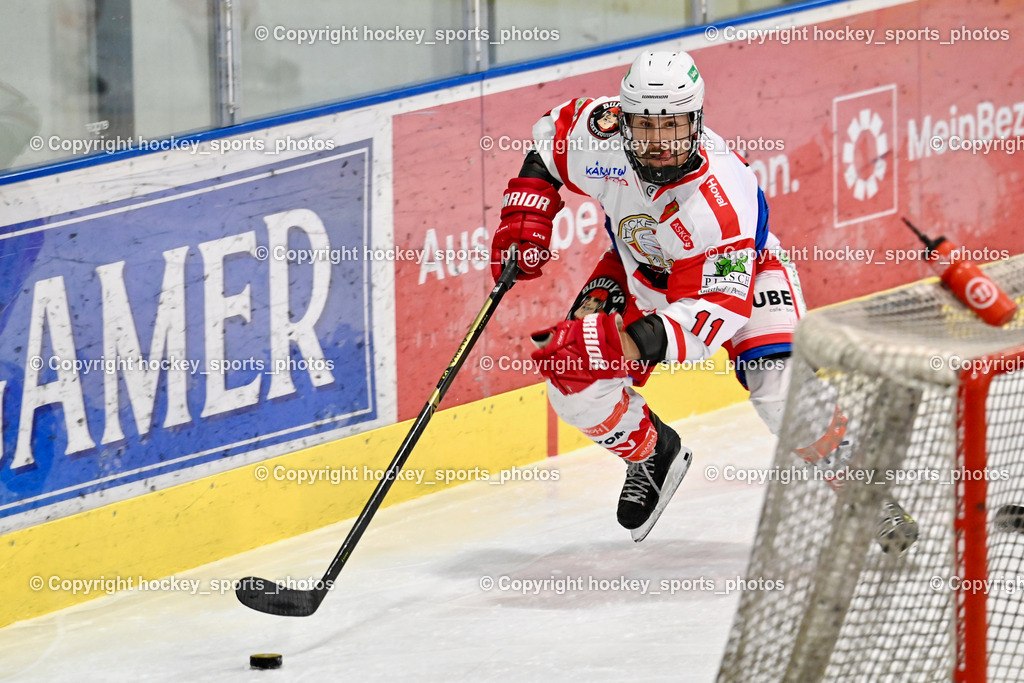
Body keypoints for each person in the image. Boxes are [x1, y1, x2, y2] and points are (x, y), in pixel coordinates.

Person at [490, 50, 915, 549]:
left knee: (779, 392)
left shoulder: (720, 201)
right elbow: (550, 143)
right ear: (623, 121)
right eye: (644, 127)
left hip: (744, 275)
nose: (658, 143)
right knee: (572, 376)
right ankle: (653, 454)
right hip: (639, 270)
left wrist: (623, 344)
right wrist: (527, 212)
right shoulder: (601, 134)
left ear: (696, 121)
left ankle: (863, 490)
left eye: (672, 126)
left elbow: (709, 316)